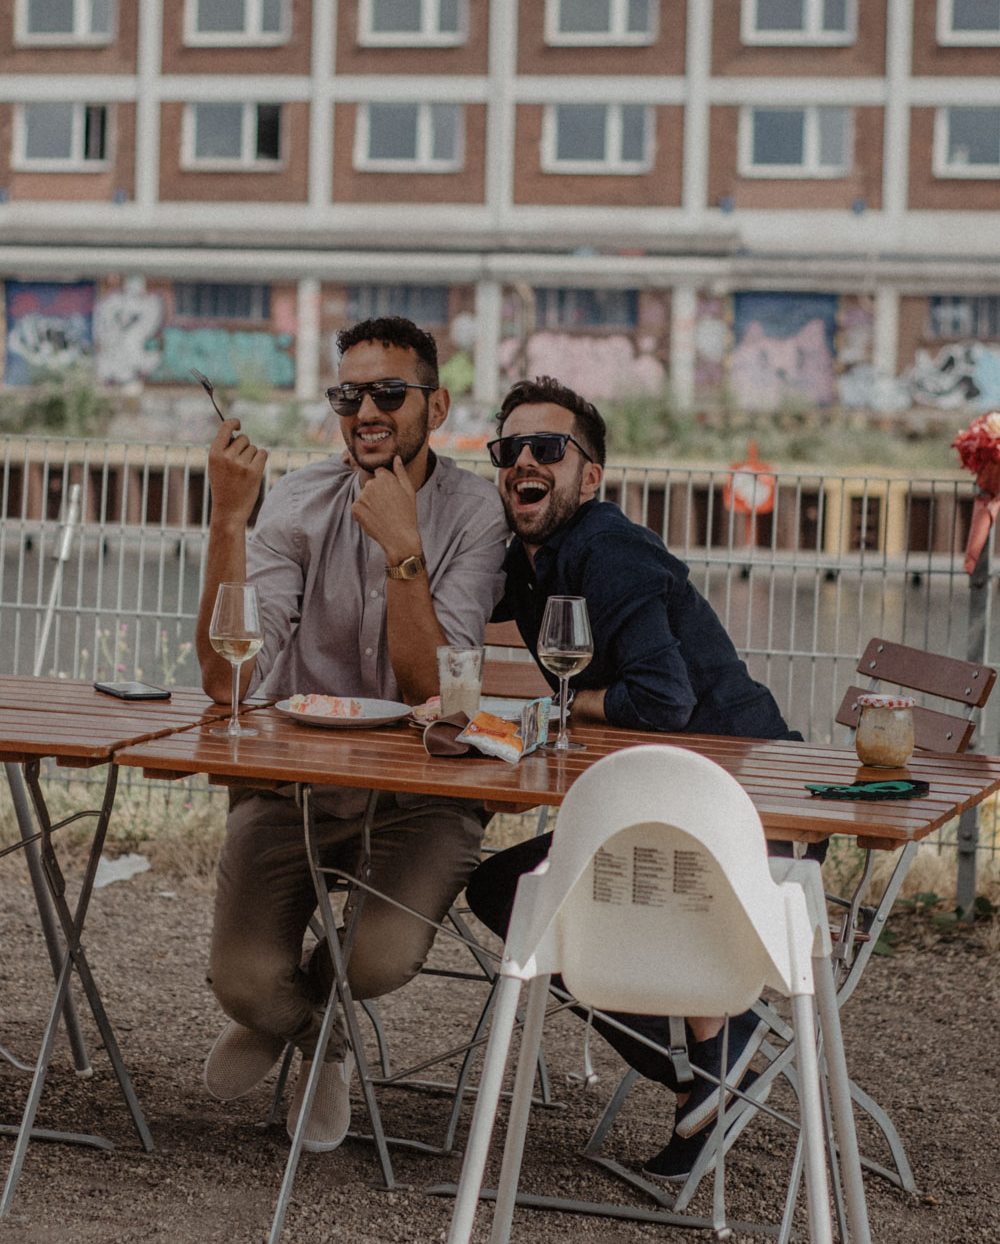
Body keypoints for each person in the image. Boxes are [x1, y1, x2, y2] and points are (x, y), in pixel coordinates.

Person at [465, 375, 818, 1184]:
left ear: (589, 475)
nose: (524, 459)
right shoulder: (531, 561)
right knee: (509, 889)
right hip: (670, 807)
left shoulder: (607, 549)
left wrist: (563, 706)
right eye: (509, 448)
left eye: (547, 448)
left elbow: (662, 700)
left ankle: (719, 1053)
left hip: (747, 819)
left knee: (518, 894)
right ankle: (713, 1064)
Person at [196, 316, 507, 1152]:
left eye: (388, 393)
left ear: (434, 405)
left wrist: (404, 550)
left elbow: (433, 695)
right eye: (348, 393)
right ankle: (320, 1039)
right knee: (245, 982)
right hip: (296, 784)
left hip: (424, 793)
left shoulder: (477, 513)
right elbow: (228, 681)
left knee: (377, 960)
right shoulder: (297, 499)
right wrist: (230, 519)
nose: (365, 410)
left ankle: (328, 1006)